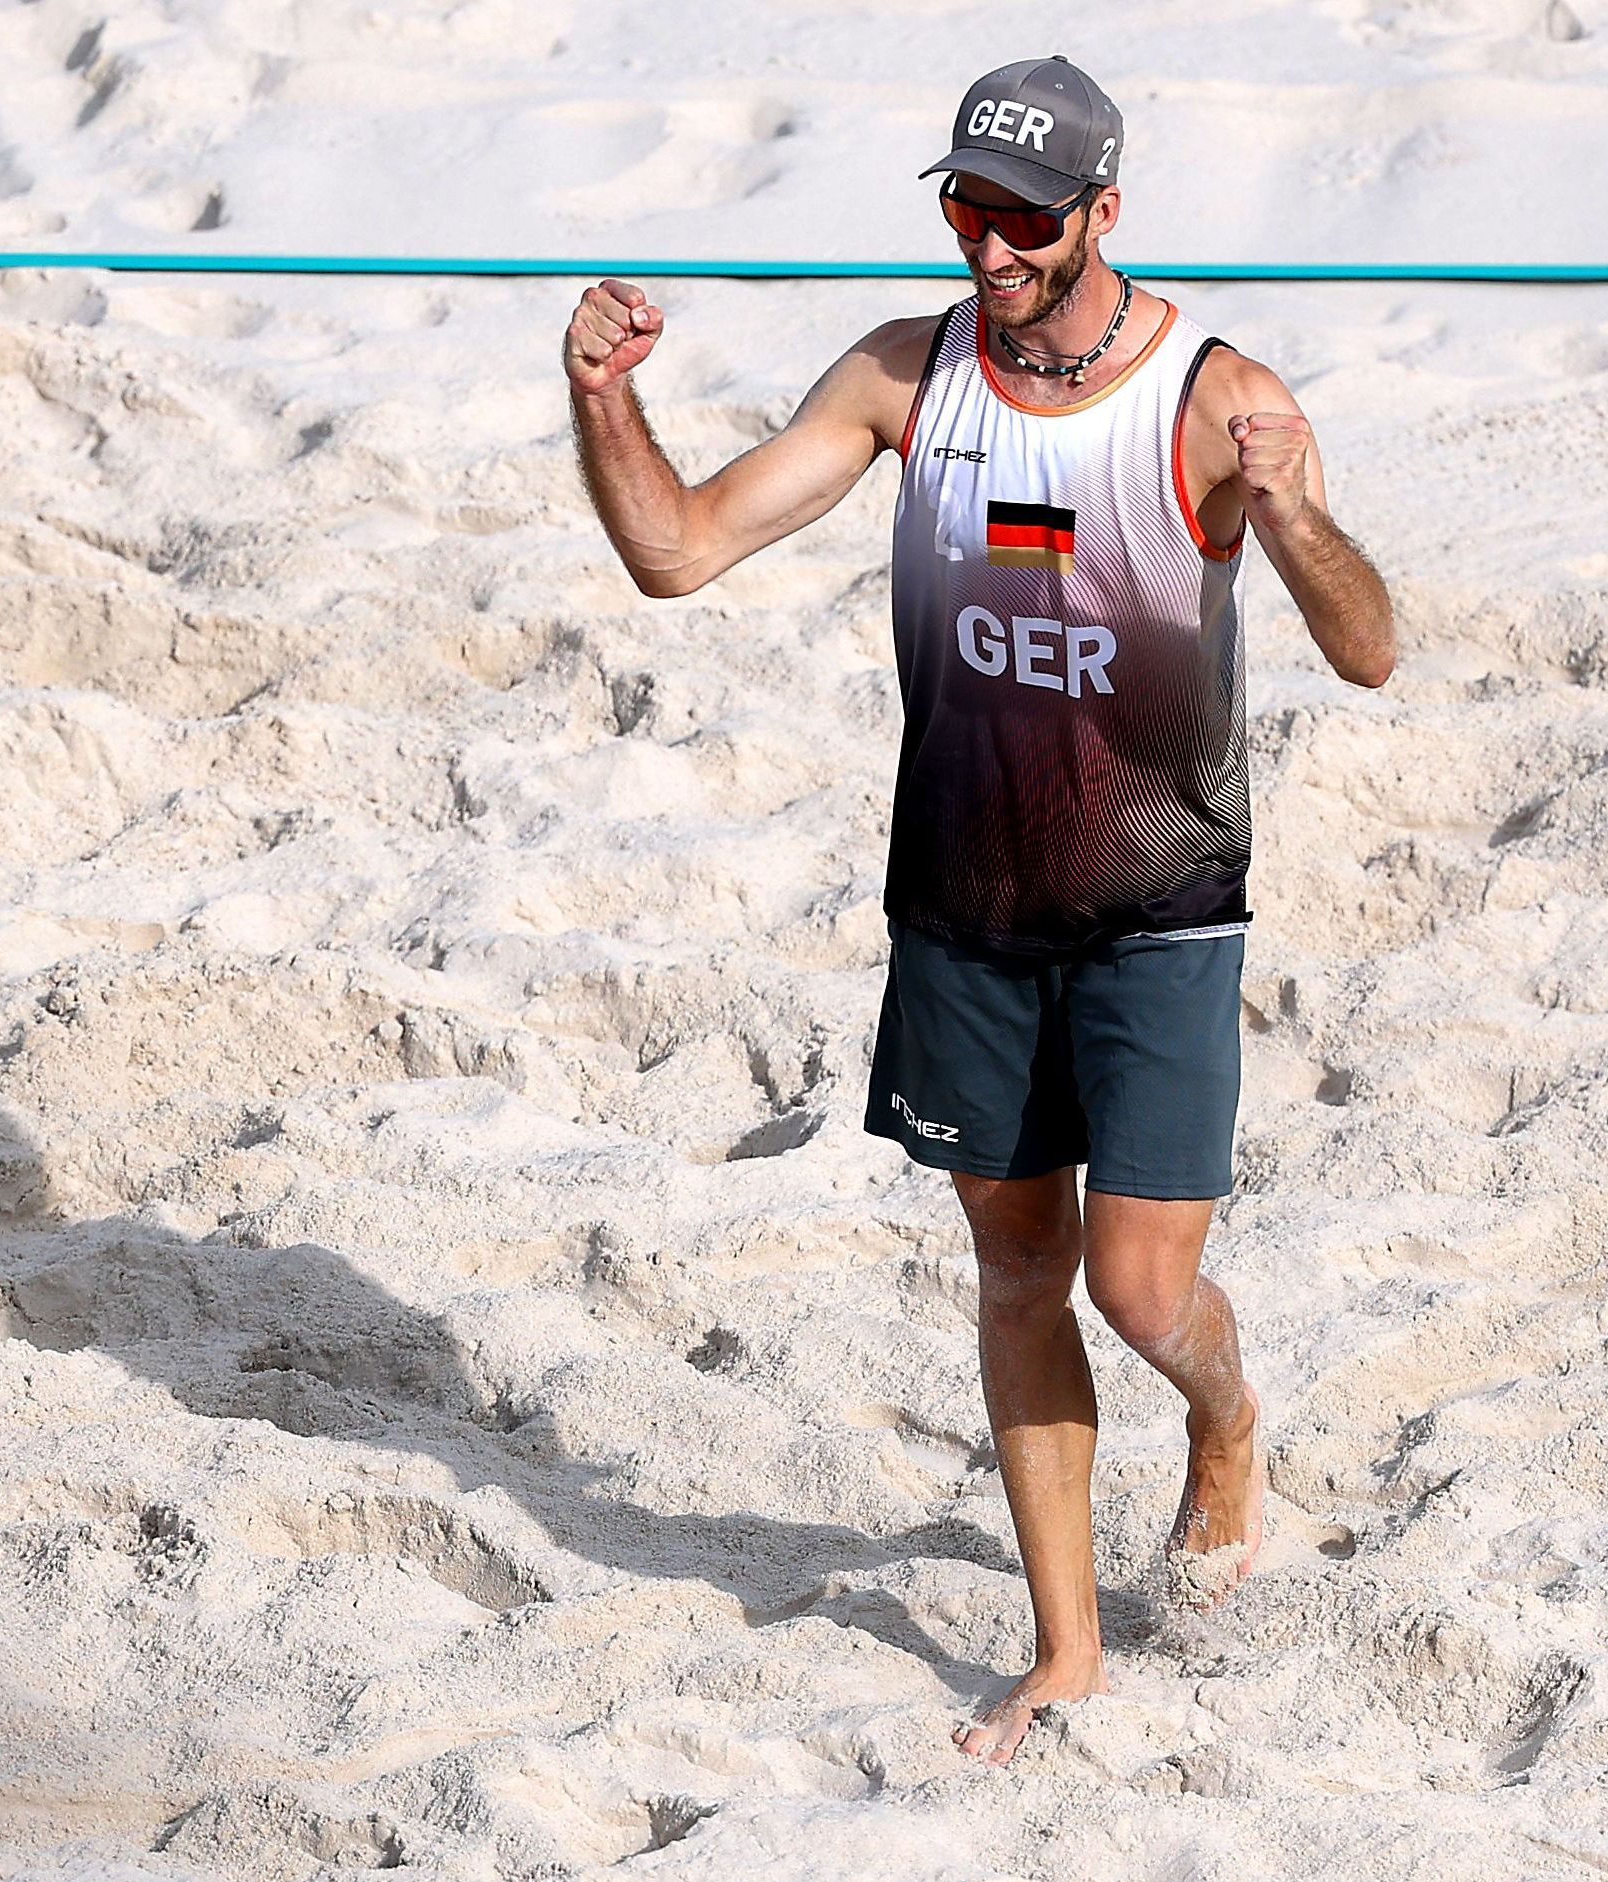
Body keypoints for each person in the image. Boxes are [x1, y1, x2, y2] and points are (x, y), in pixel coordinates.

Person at [561, 58, 1397, 1765]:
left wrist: (1294, 510)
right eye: (967, 211)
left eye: (1025, 219)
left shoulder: (1207, 400)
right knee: (1020, 1274)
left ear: (1104, 211)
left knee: (1142, 1290)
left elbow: (1373, 646)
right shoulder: (905, 374)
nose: (992, 249)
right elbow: (676, 552)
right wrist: (601, 399)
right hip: (966, 908)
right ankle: (1066, 1648)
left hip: (1161, 903)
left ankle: (1227, 1425)